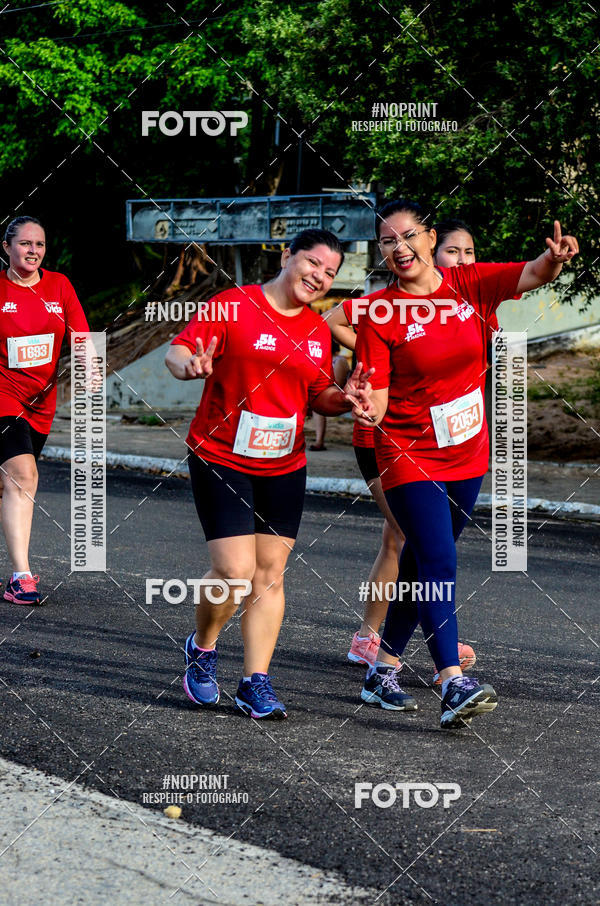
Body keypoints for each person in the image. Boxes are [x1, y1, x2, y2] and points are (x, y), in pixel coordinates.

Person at [354, 199, 578, 728]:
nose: (399, 248)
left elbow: (531, 273)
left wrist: (556, 260)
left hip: (467, 453)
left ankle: (381, 668)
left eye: (408, 235)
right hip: (409, 454)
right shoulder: (379, 314)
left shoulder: (470, 285)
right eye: (388, 241)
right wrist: (365, 404)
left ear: (431, 238)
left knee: (422, 562)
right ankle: (452, 680)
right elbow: (380, 401)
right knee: (439, 562)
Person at [166, 229, 374, 720]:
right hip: (221, 454)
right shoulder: (233, 305)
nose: (319, 276)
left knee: (270, 574)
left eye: (329, 272)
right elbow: (178, 351)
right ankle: (202, 646)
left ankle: (254, 681)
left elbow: (318, 395)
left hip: (284, 463)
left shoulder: (317, 329)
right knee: (235, 572)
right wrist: (188, 366)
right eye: (312, 263)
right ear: (286, 256)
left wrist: (344, 400)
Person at [325, 218, 482, 675]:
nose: (461, 261)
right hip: (387, 438)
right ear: (434, 246)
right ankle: (374, 640)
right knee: (408, 541)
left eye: (469, 254)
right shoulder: (385, 309)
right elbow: (332, 318)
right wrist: (382, 363)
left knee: (417, 546)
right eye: (454, 252)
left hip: (450, 445)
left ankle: (392, 647)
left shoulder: (467, 300)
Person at [0, 216, 90, 606]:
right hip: (3, 395)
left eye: (39, 244)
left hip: (41, 402)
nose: (33, 250)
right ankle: (20, 577)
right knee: (23, 475)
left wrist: (90, 369)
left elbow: (82, 336)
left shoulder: (59, 286)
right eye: (24, 244)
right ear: (6, 247)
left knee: (8, 486)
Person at [309, 340, 350, 450]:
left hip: (337, 396)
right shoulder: (320, 360)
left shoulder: (339, 361)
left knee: (317, 407)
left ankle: (319, 442)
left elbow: (337, 384)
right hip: (320, 392)